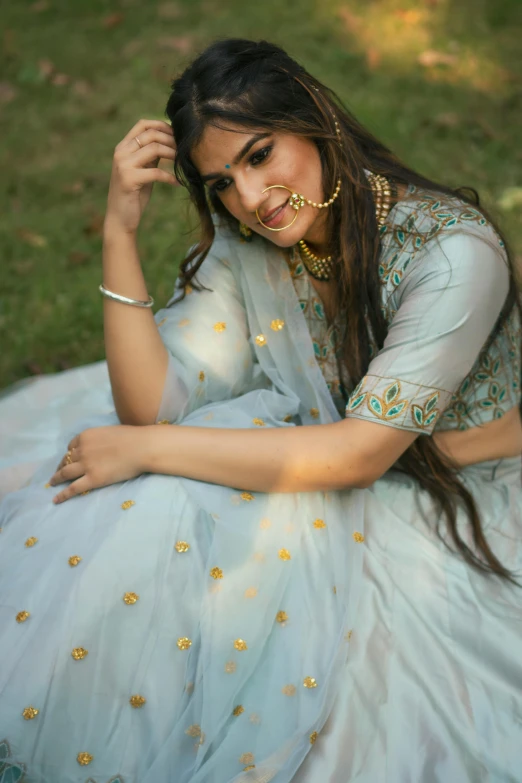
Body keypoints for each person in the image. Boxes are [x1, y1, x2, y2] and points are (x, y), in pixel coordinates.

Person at [0, 37, 521, 783]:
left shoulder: (451, 256)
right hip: (330, 460)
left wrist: (148, 450)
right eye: (222, 184)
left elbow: (357, 455)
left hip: (454, 497)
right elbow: (151, 406)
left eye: (260, 154)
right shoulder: (258, 243)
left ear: (312, 118)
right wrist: (119, 231)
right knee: (149, 505)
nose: (250, 199)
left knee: (166, 480)